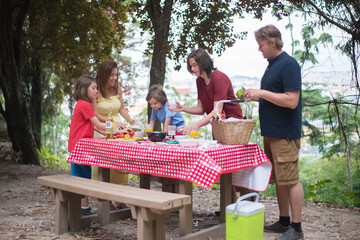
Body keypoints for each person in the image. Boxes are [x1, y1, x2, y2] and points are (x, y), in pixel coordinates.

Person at [244, 25, 304, 240]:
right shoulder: (272, 65)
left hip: (285, 133)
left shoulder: (288, 64)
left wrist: (262, 92)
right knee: (279, 179)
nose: (259, 49)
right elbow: (275, 96)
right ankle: (284, 221)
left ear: (272, 42)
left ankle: (296, 229)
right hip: (271, 133)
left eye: (261, 45)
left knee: (291, 180)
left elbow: (291, 100)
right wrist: (256, 95)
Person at [68, 75, 129, 216]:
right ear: (84, 89)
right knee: (81, 179)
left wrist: (113, 131)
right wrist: (116, 128)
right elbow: (98, 124)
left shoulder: (82, 104)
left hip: (81, 147)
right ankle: (80, 210)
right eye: (93, 88)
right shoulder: (84, 104)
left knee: (84, 177)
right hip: (79, 148)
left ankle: (83, 209)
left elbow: (95, 128)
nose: (96, 91)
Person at [92, 60, 136, 209]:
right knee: (106, 162)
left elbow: (122, 109)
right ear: (104, 74)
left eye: (116, 75)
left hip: (118, 127)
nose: (114, 78)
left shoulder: (117, 87)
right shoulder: (95, 90)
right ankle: (106, 198)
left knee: (123, 156)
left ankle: (119, 196)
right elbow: (95, 115)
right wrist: (113, 123)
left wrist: (131, 120)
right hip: (102, 128)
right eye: (111, 75)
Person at [170, 48, 243, 134]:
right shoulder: (199, 81)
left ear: (203, 63)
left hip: (233, 124)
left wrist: (194, 126)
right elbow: (200, 109)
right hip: (218, 125)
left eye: (195, 65)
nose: (192, 69)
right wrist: (182, 108)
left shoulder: (219, 78)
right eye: (191, 66)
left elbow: (217, 111)